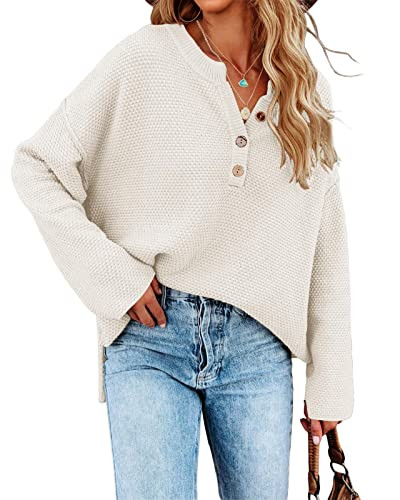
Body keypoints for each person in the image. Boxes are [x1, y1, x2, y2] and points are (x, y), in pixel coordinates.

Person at [11, 0, 356, 498]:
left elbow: (326, 240)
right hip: (151, 339)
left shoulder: (303, 88)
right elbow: (37, 164)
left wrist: (331, 380)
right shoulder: (145, 58)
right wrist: (113, 277)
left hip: (259, 349)